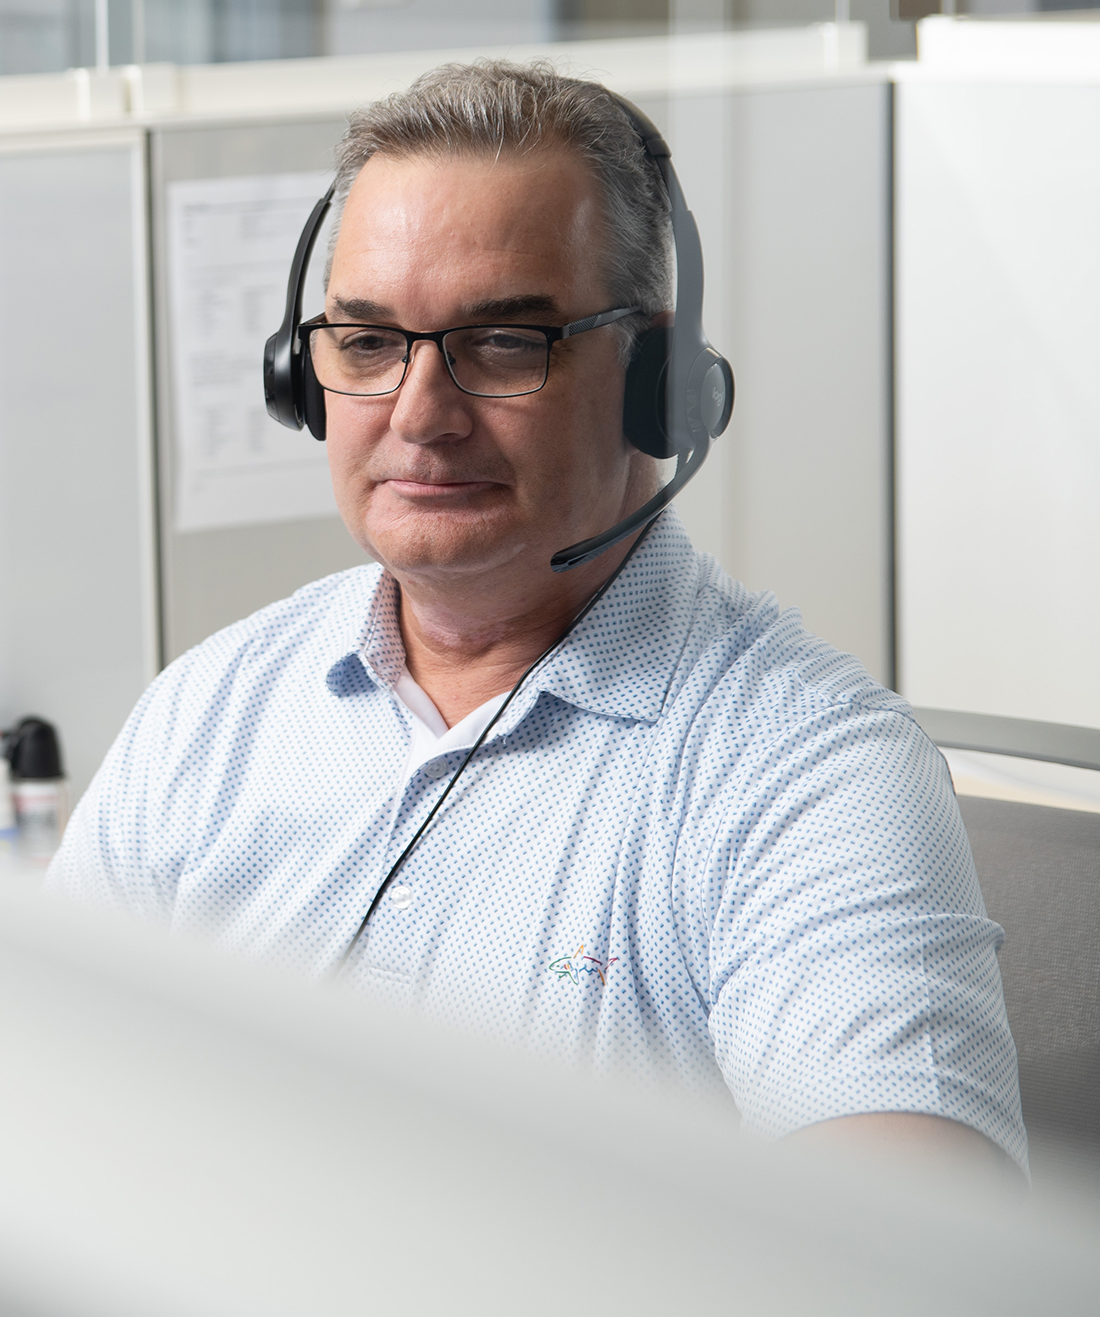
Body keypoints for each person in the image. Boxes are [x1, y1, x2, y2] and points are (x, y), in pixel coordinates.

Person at [49, 60, 1023, 1176]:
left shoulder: (804, 771)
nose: (419, 416)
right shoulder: (207, 716)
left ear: (656, 380)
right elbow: (28, 1105)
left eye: (503, 345)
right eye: (366, 343)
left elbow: (912, 1249)